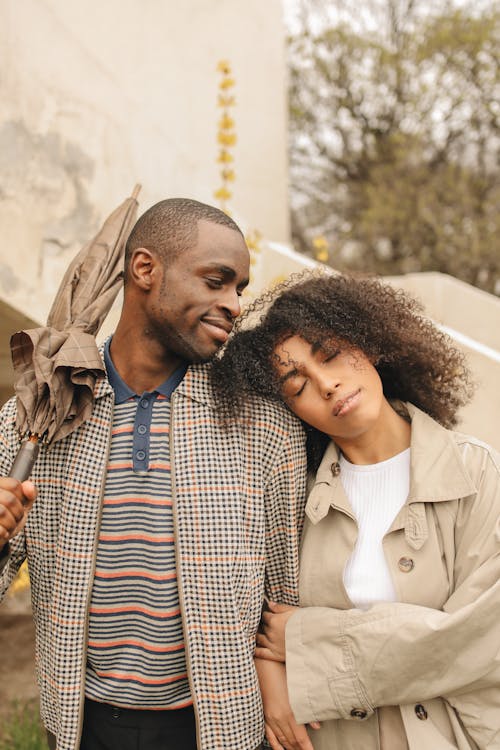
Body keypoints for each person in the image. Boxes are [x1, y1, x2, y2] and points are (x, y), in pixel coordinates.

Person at [0, 198, 309, 750]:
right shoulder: (36, 412)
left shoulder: (264, 424)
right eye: (217, 281)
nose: (234, 304)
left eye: (239, 288)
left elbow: (287, 599)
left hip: (220, 730)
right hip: (78, 726)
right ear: (145, 270)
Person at [212, 272, 500, 750]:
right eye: (296, 383)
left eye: (330, 355)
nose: (326, 384)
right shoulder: (289, 500)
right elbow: (252, 620)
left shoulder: (477, 473)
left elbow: (481, 638)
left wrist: (307, 644)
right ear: (286, 408)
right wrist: (269, 672)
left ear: (369, 343)